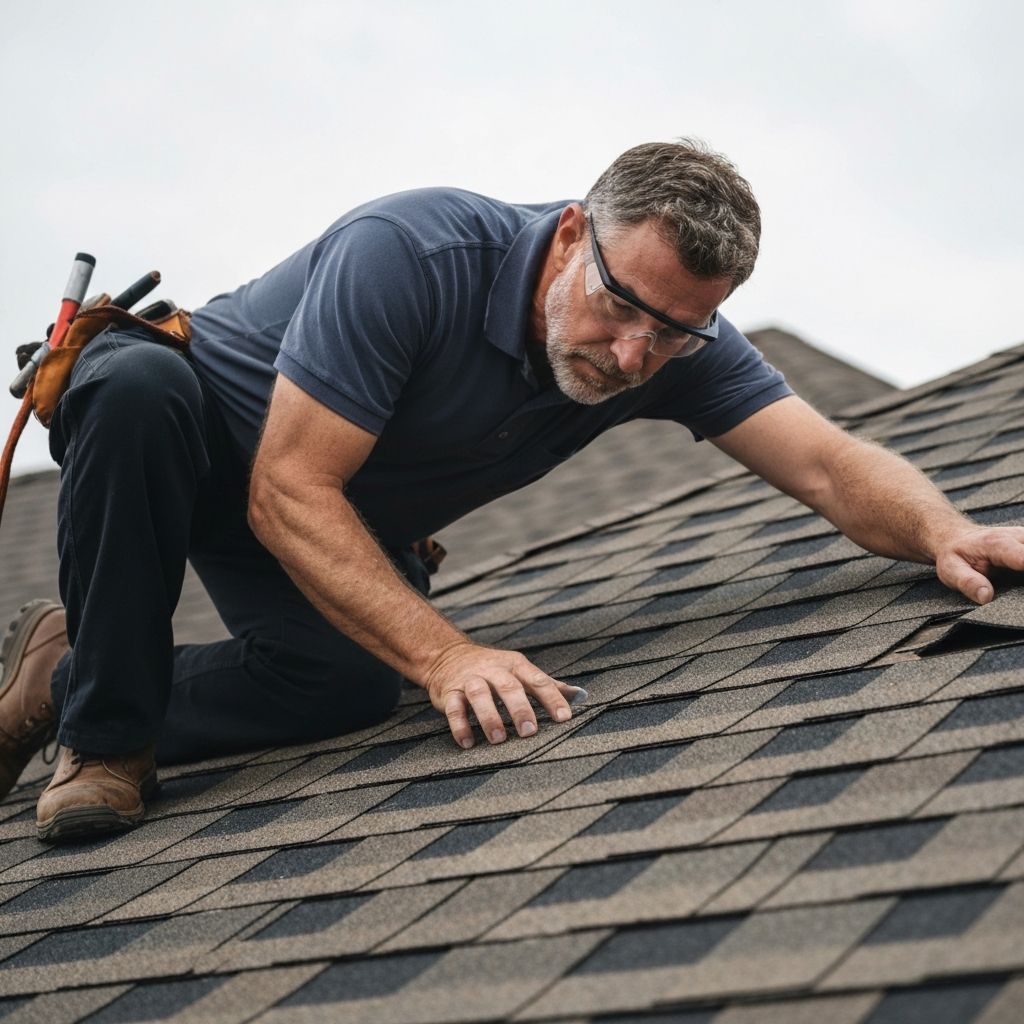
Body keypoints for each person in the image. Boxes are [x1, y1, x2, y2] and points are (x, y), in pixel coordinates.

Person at [1, 140, 1022, 844]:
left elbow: (829, 465)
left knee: (347, 686)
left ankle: (67, 675)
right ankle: (106, 742)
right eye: (622, 307)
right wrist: (445, 655)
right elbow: (288, 489)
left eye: (674, 330)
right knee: (131, 385)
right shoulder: (411, 254)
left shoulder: (674, 344)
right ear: (573, 233)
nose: (636, 353)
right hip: (216, 446)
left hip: (327, 516)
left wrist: (943, 527)